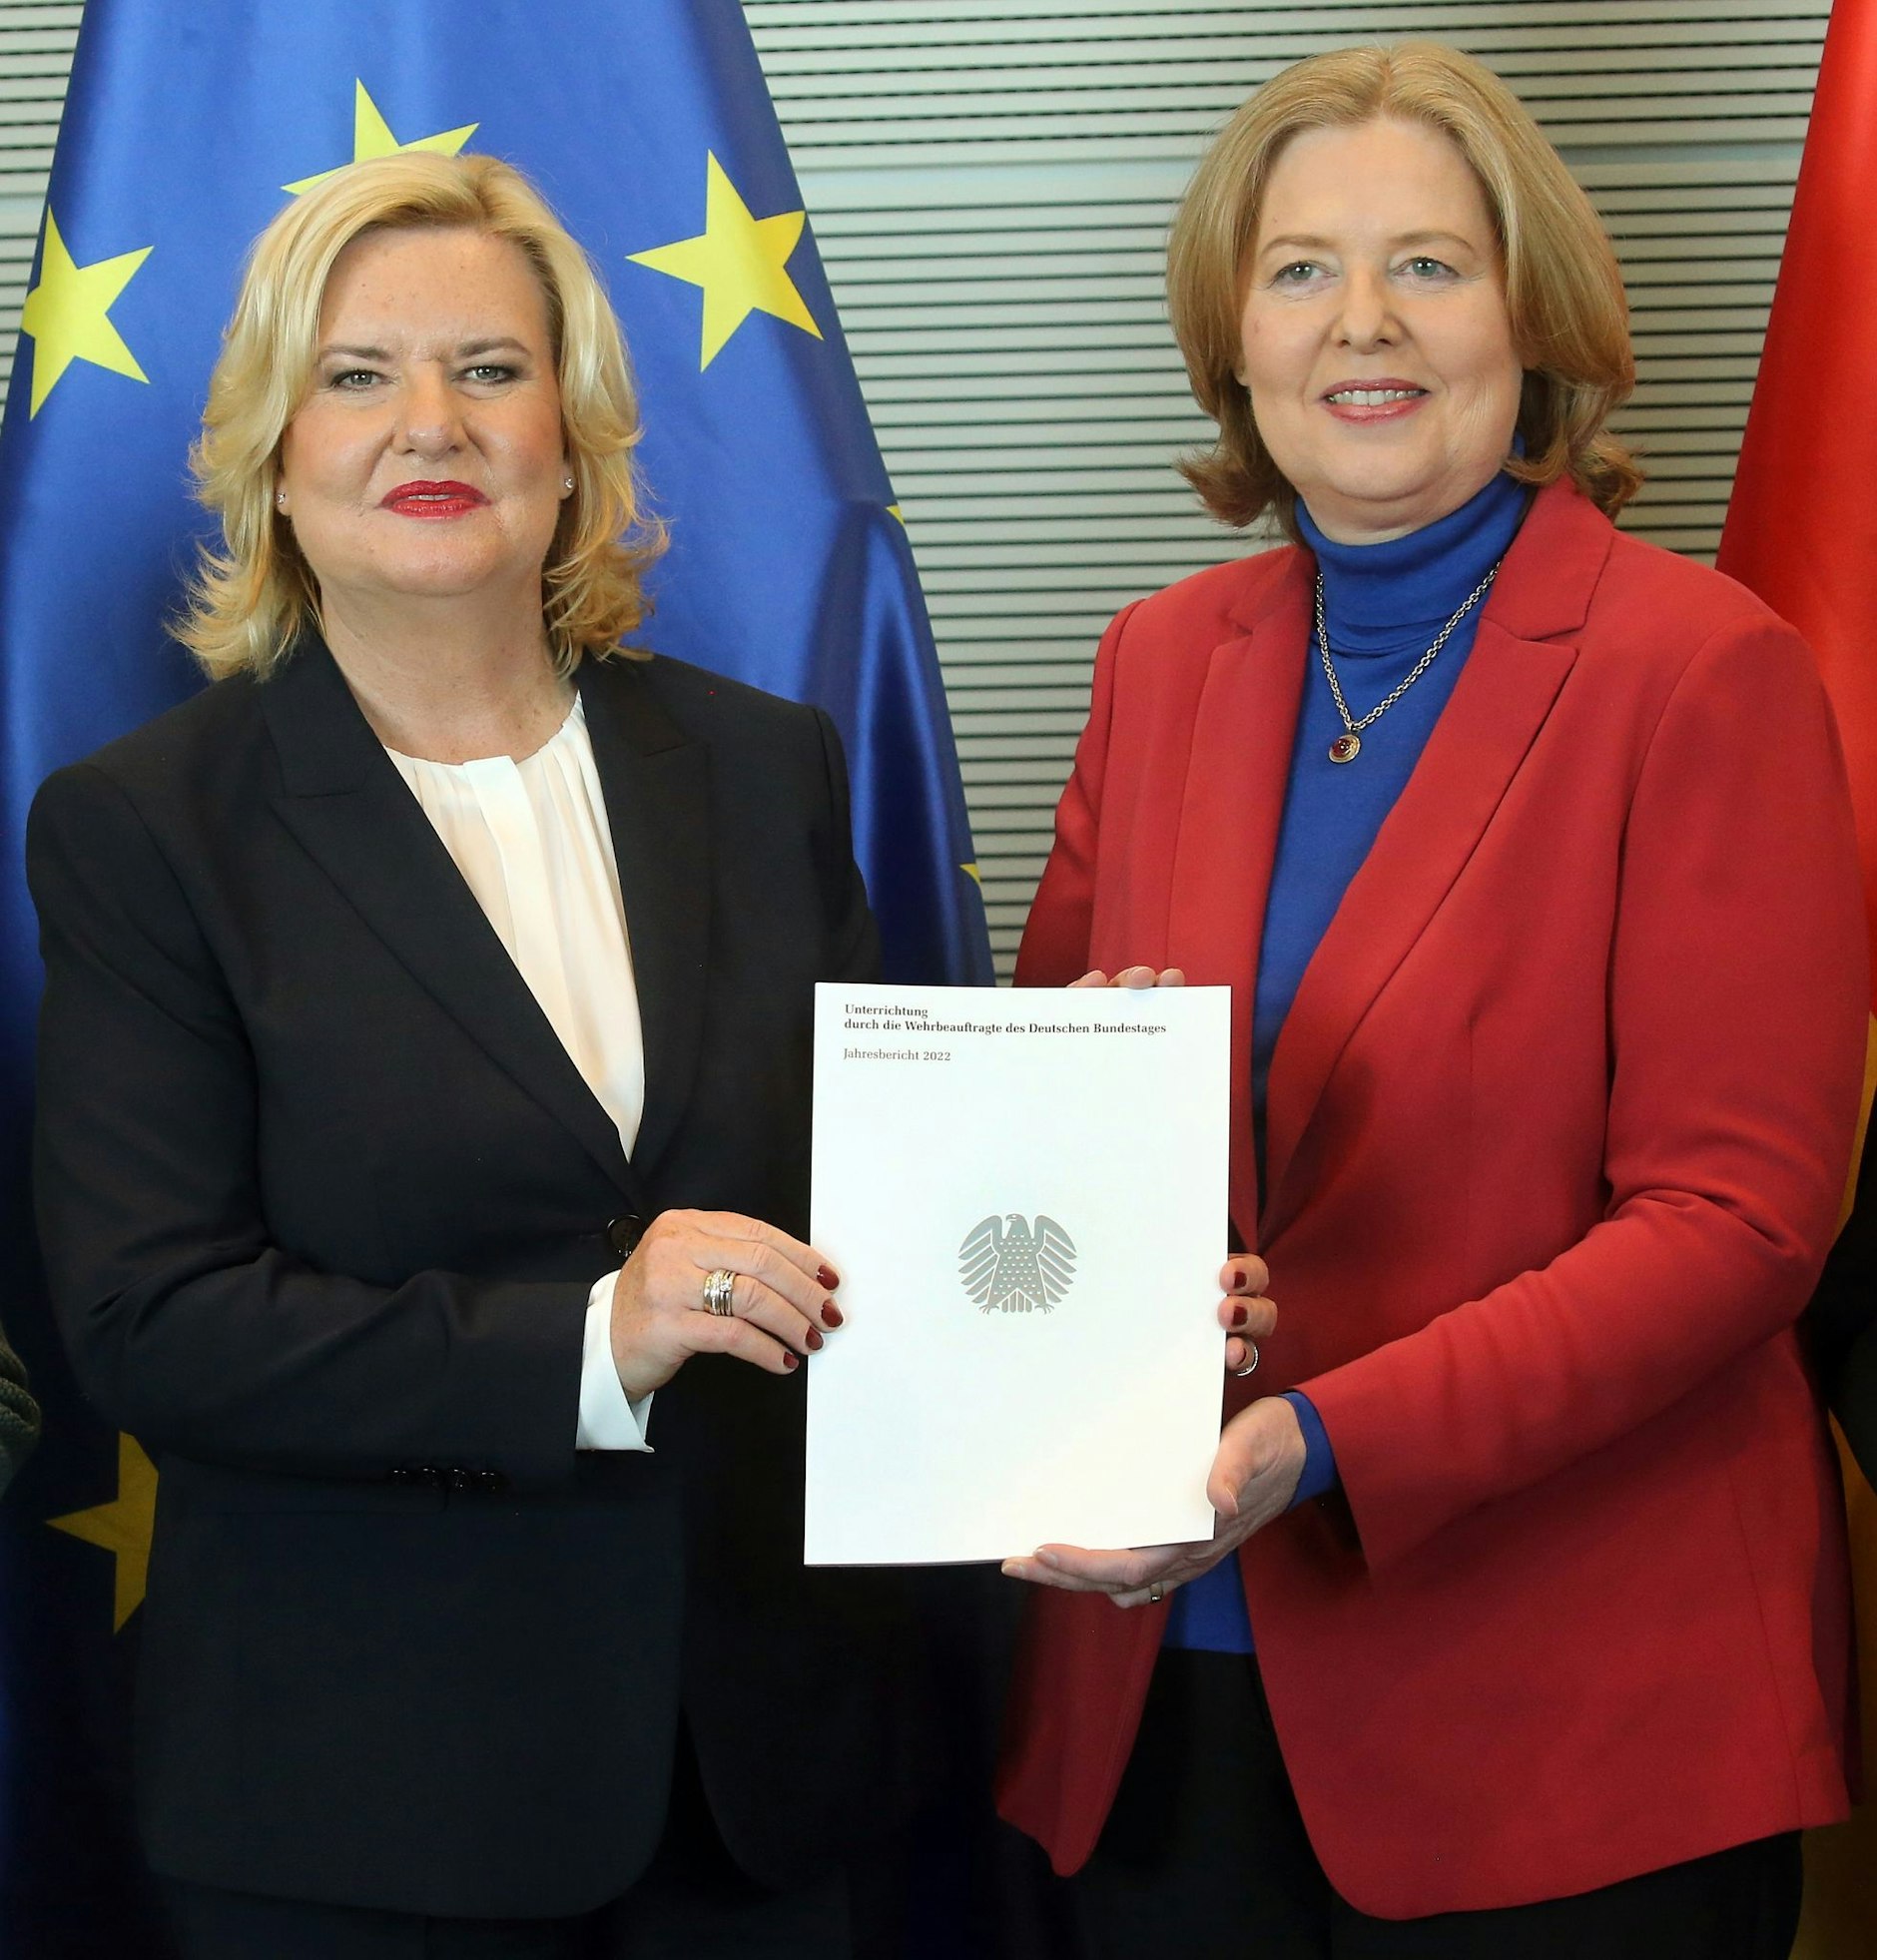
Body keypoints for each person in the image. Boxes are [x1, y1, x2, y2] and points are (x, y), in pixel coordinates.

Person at [995, 43, 1866, 1960]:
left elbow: (1738, 1222)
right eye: (1302, 268)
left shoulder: (1702, 672)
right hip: (1165, 1678)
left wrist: (1318, 1438)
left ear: (1531, 318)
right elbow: (1039, 1105)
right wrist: (1092, 1137)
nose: (1363, 322)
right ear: (1234, 336)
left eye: (1430, 266)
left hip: (1572, 1716)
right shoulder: (1161, 661)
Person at [29, 151, 927, 1958]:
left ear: (572, 440)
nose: (429, 423)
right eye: (357, 375)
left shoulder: (765, 769)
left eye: (491, 369)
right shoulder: (148, 827)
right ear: (274, 451)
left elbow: (873, 1203)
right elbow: (148, 1320)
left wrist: (1096, 1245)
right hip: (364, 1810)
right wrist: (593, 1344)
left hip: (751, 1790)